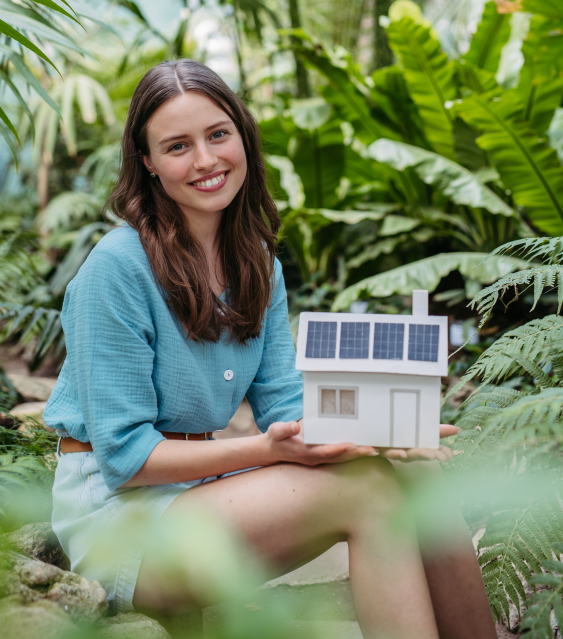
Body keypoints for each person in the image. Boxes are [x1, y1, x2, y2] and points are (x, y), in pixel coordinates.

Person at [44, 60, 496, 639]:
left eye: (217, 135)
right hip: (119, 516)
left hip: (198, 493)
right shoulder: (117, 267)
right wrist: (271, 451)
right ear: (149, 165)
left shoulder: (257, 262)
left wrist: (376, 431)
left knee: (418, 482)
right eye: (178, 146)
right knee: (370, 492)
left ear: (243, 137)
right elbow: (127, 460)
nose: (206, 161)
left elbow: (285, 408)